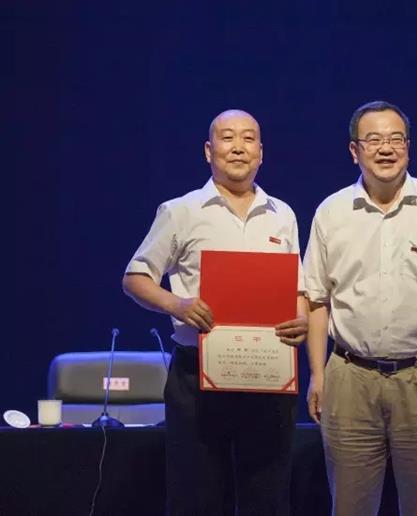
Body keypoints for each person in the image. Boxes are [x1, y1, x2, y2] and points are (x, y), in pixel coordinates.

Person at [303, 100, 417, 516]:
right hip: (349, 378)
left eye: (396, 139)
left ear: (408, 146)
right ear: (354, 151)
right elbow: (316, 299)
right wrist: (317, 373)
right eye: (373, 140)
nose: (385, 148)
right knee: (349, 507)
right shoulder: (331, 213)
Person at [122, 109, 308, 516]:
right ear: (209, 151)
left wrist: (301, 319)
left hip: (268, 374)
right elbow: (135, 277)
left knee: (268, 497)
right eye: (227, 138)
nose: (238, 147)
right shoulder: (181, 210)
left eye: (248, 138)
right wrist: (177, 304)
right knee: (196, 497)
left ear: (261, 152)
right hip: (198, 377)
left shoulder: (283, 214)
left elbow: (297, 288)